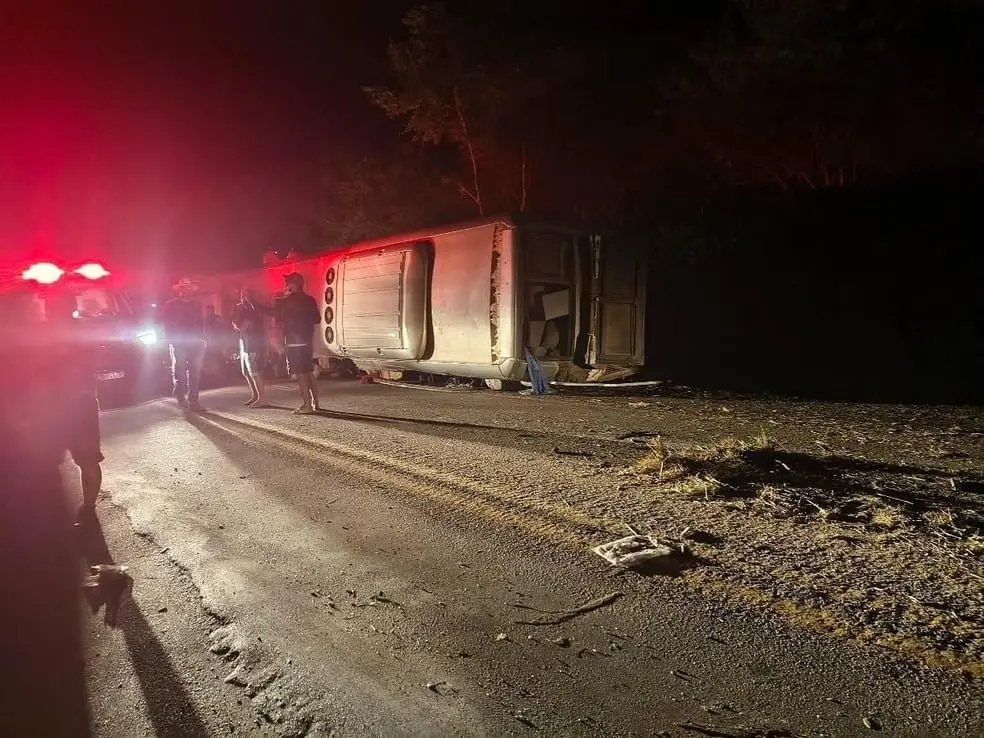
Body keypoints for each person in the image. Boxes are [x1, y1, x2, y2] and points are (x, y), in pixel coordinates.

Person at [45, 289, 104, 521]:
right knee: (87, 459)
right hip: (80, 402)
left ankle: (84, 510)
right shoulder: (85, 330)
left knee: (57, 461)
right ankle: (88, 509)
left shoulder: (45, 334)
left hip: (63, 404)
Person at [278, 272, 321, 414]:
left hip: (294, 341)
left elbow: (276, 315)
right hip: (307, 340)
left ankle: (307, 405)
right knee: (308, 371)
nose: (285, 285)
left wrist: (285, 299)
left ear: (292, 284)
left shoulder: (288, 301)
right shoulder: (310, 299)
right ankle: (316, 403)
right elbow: (317, 319)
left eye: (287, 283)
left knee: (301, 373)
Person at [161, 280, 206, 410]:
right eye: (184, 288)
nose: (187, 290)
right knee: (179, 371)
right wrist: (170, 338)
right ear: (179, 290)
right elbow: (166, 323)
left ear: (192, 290)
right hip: (178, 341)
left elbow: (200, 323)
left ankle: (193, 400)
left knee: (195, 372)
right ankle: (180, 396)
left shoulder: (196, 304)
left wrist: (202, 338)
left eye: (189, 288)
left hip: (195, 341)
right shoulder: (171, 304)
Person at [232, 288, 268, 407]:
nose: (243, 297)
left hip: (253, 345)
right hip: (244, 344)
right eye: (242, 294)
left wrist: (236, 323)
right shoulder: (241, 309)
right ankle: (255, 396)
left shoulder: (252, 310)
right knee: (246, 372)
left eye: (246, 294)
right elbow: (236, 324)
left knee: (254, 372)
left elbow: (241, 326)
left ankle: (261, 398)